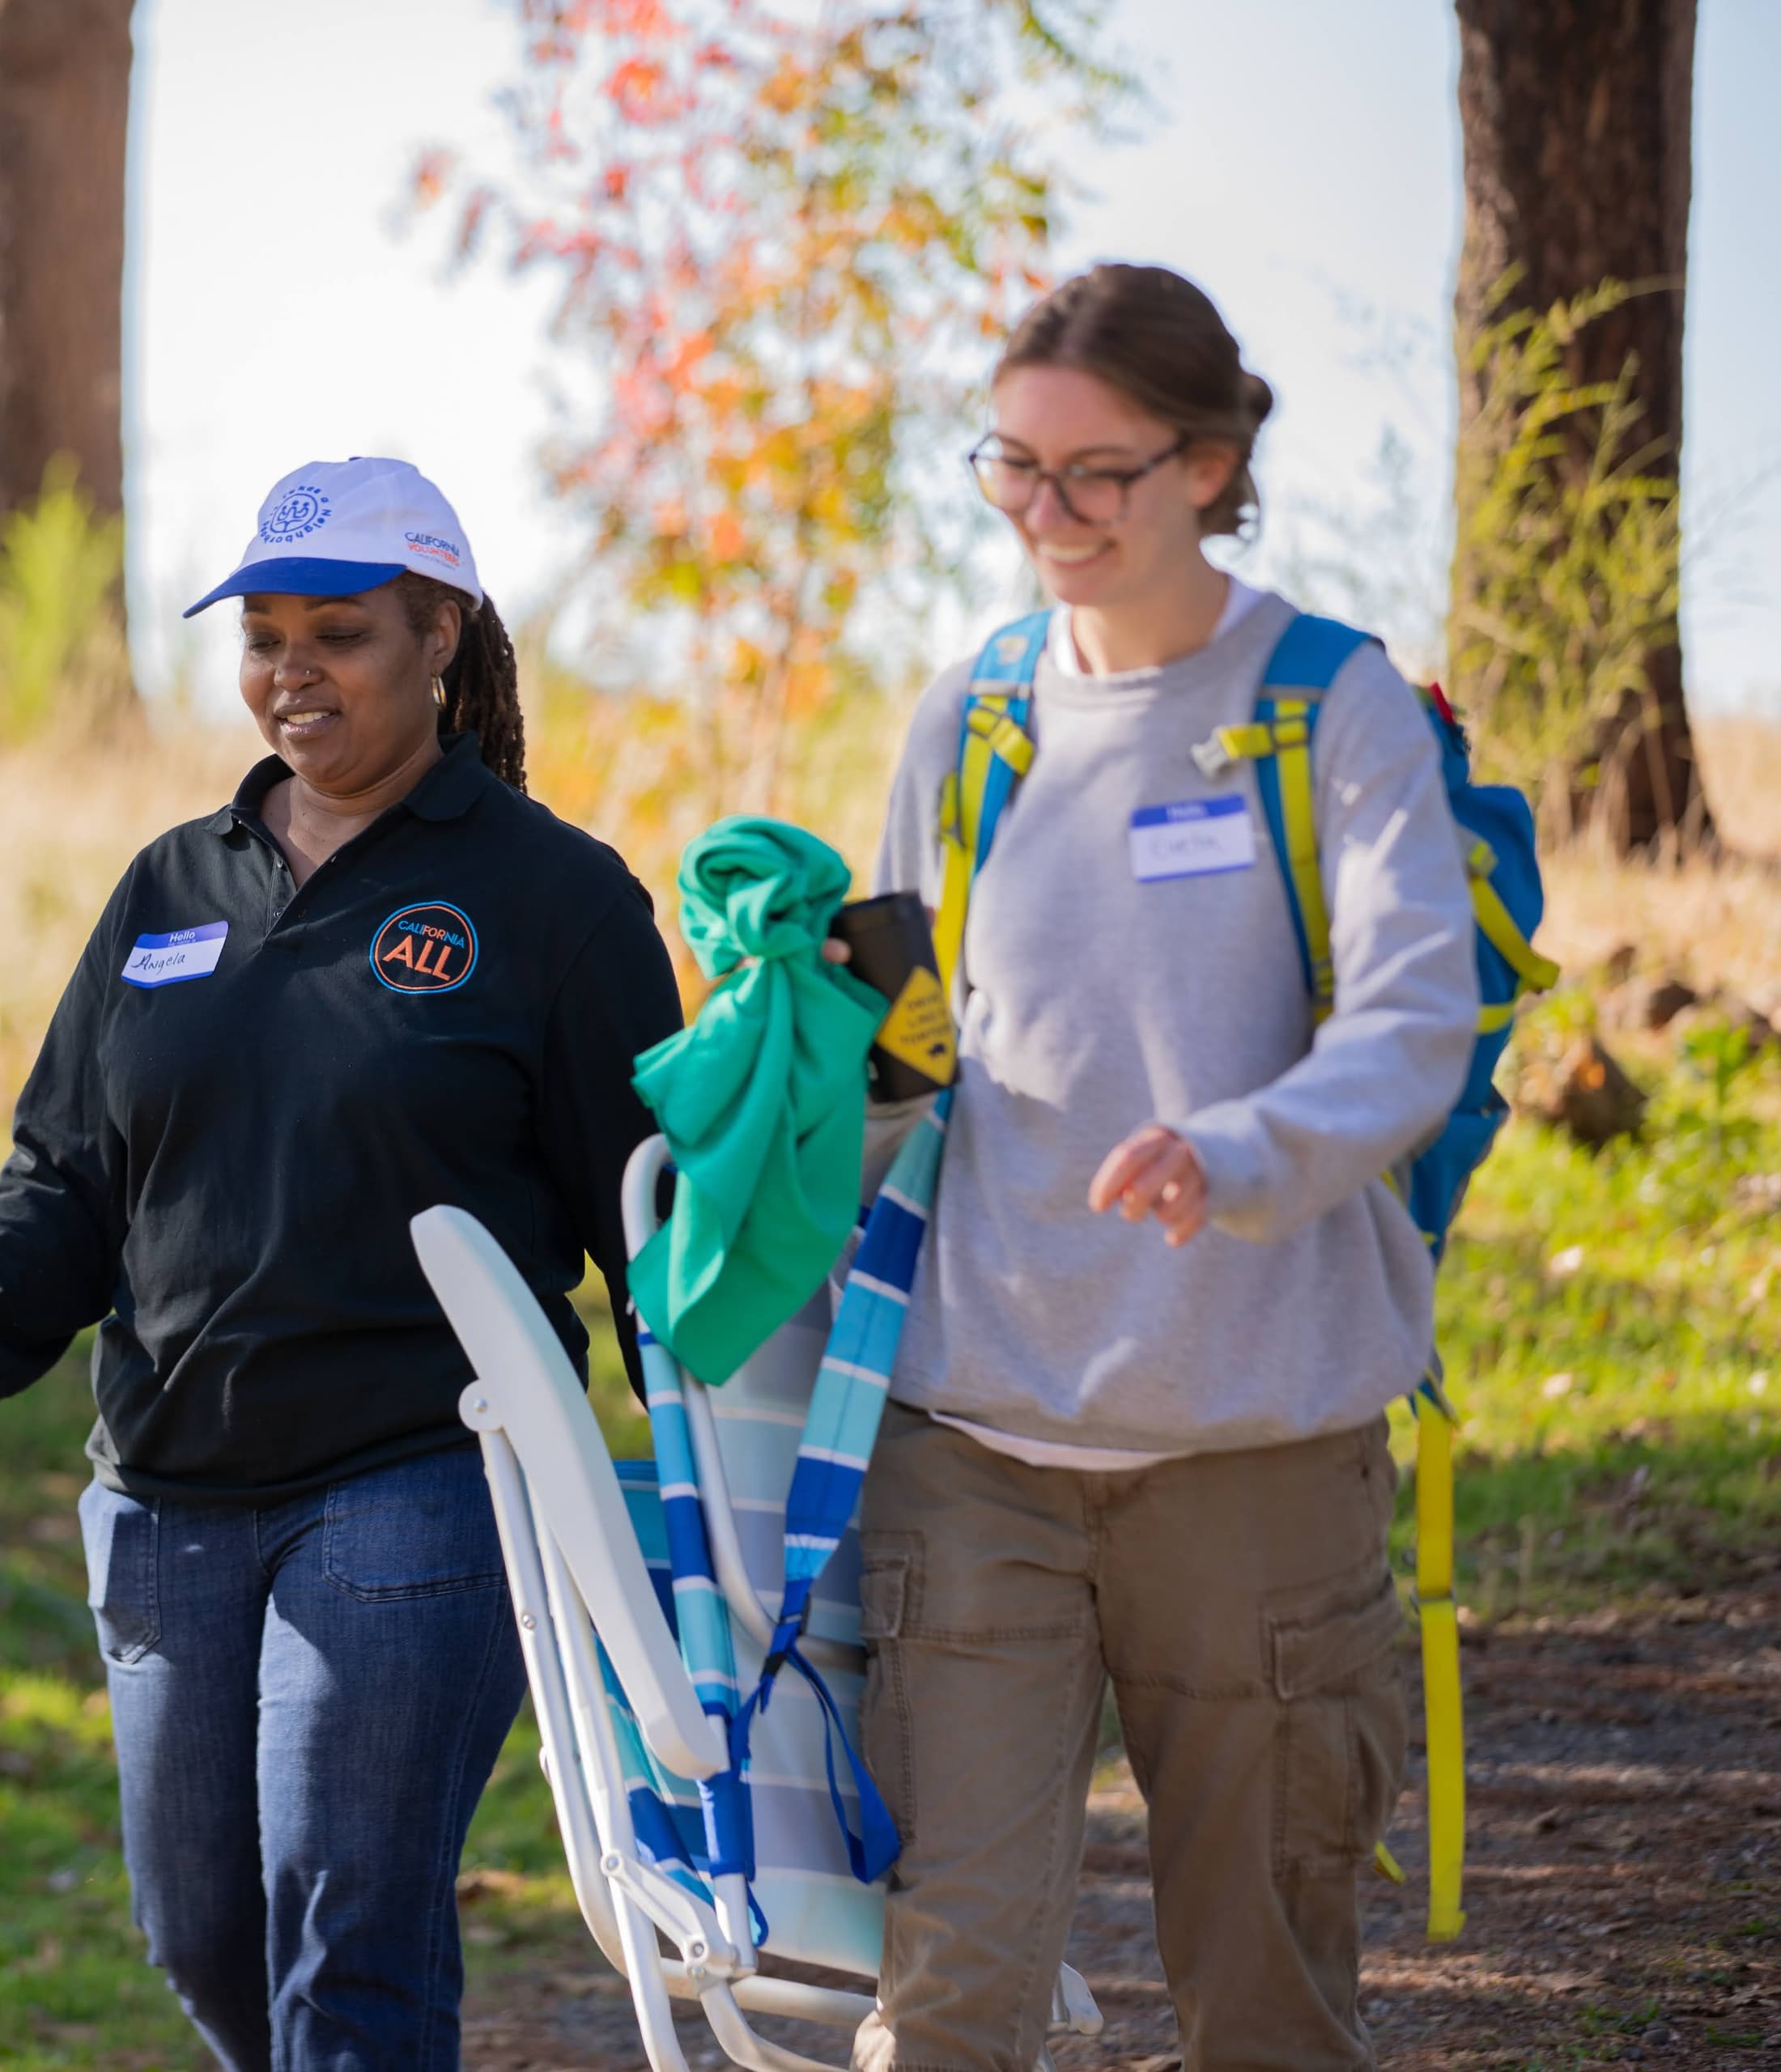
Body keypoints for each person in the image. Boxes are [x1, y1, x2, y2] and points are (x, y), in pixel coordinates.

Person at [0, 456, 683, 2070]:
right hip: (161, 1498)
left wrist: (727, 1498)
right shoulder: (172, 884)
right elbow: (68, 1178)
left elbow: (655, 1229)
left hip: (418, 1481)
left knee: (347, 1931)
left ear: (441, 634)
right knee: (207, 1932)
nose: (292, 672)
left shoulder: (555, 899)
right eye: (265, 635)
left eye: (340, 634)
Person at [849, 265, 1478, 2071]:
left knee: (1267, 2009)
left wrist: (1246, 1145)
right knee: (947, 2003)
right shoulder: (969, 719)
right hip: (973, 1461)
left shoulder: (1325, 704)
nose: (1045, 517)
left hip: (1256, 1467)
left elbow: (1416, 1016)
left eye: (1095, 474)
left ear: (1210, 462)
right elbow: (906, 1059)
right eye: (1012, 468)